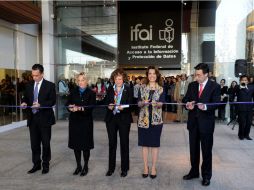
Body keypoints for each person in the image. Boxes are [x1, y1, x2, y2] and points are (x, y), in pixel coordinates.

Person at [182, 63, 220, 186]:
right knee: (193, 150)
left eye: (198, 75)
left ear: (206, 74)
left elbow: (216, 103)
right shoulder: (192, 85)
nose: (196, 78)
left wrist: (206, 106)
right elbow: (185, 100)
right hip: (193, 123)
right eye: (195, 75)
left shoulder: (215, 86)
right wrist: (188, 104)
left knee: (206, 151)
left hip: (206, 125)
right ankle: (194, 172)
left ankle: (206, 175)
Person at [21, 64, 56, 174]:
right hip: (33, 119)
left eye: (36, 75)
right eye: (33, 75)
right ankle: (36, 164)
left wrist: (41, 105)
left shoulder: (50, 85)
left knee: (45, 144)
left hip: (45, 119)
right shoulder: (29, 85)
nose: (34, 77)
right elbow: (25, 98)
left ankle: (45, 165)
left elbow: (52, 101)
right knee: (34, 144)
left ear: (42, 74)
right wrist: (24, 103)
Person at [66, 72, 96, 176]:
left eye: (82, 80)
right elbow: (67, 104)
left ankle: (85, 166)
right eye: (78, 80)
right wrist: (70, 107)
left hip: (86, 122)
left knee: (85, 145)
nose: (80, 82)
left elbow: (91, 107)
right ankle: (78, 166)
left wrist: (80, 108)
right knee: (76, 145)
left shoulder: (91, 93)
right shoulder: (73, 92)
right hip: (74, 121)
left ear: (87, 81)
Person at [104, 68, 133, 177]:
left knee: (124, 143)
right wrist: (109, 105)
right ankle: (111, 168)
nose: (118, 81)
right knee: (112, 143)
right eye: (116, 79)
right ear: (113, 79)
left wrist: (123, 108)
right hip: (111, 119)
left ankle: (124, 168)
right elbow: (106, 101)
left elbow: (131, 104)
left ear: (123, 79)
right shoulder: (110, 89)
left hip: (124, 119)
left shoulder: (128, 89)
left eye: (120, 79)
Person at [137, 66, 165, 179]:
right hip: (143, 120)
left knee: (154, 145)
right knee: (144, 144)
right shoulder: (142, 88)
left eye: (154, 73)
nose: (152, 75)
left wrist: (158, 104)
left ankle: (153, 167)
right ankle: (145, 167)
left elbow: (162, 103)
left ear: (157, 75)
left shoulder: (161, 89)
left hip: (156, 121)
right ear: (147, 75)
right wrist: (143, 103)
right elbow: (138, 103)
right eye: (149, 73)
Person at [236, 75, 254, 140]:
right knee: (242, 122)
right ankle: (241, 135)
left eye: (245, 80)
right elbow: (235, 91)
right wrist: (240, 86)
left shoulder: (252, 87)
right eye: (242, 80)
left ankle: (247, 135)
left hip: (249, 108)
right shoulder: (238, 87)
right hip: (241, 108)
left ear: (248, 81)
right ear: (240, 81)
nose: (244, 81)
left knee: (249, 122)